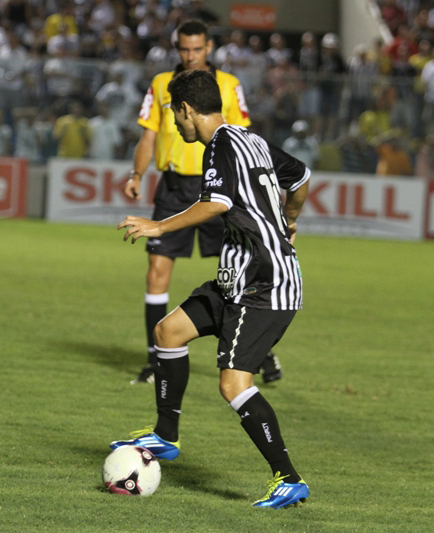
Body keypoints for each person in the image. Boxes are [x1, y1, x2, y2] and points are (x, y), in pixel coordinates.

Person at [113, 69, 311, 509]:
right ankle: (166, 434)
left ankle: (288, 478)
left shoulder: (219, 144)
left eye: (175, 116)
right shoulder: (250, 139)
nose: (176, 125)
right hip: (239, 277)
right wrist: (291, 219)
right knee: (168, 333)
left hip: (264, 284)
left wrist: (158, 225)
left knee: (233, 384)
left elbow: (217, 203)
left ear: (186, 109)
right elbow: (299, 176)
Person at [124, 20, 283, 386]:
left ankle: (262, 350)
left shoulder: (228, 86)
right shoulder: (163, 84)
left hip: (221, 184)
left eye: (196, 49)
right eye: (184, 49)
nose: (190, 55)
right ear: (176, 48)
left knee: (240, 274)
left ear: (208, 47)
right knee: (157, 272)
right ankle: (156, 358)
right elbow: (148, 136)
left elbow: (242, 133)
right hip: (175, 187)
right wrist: (136, 175)